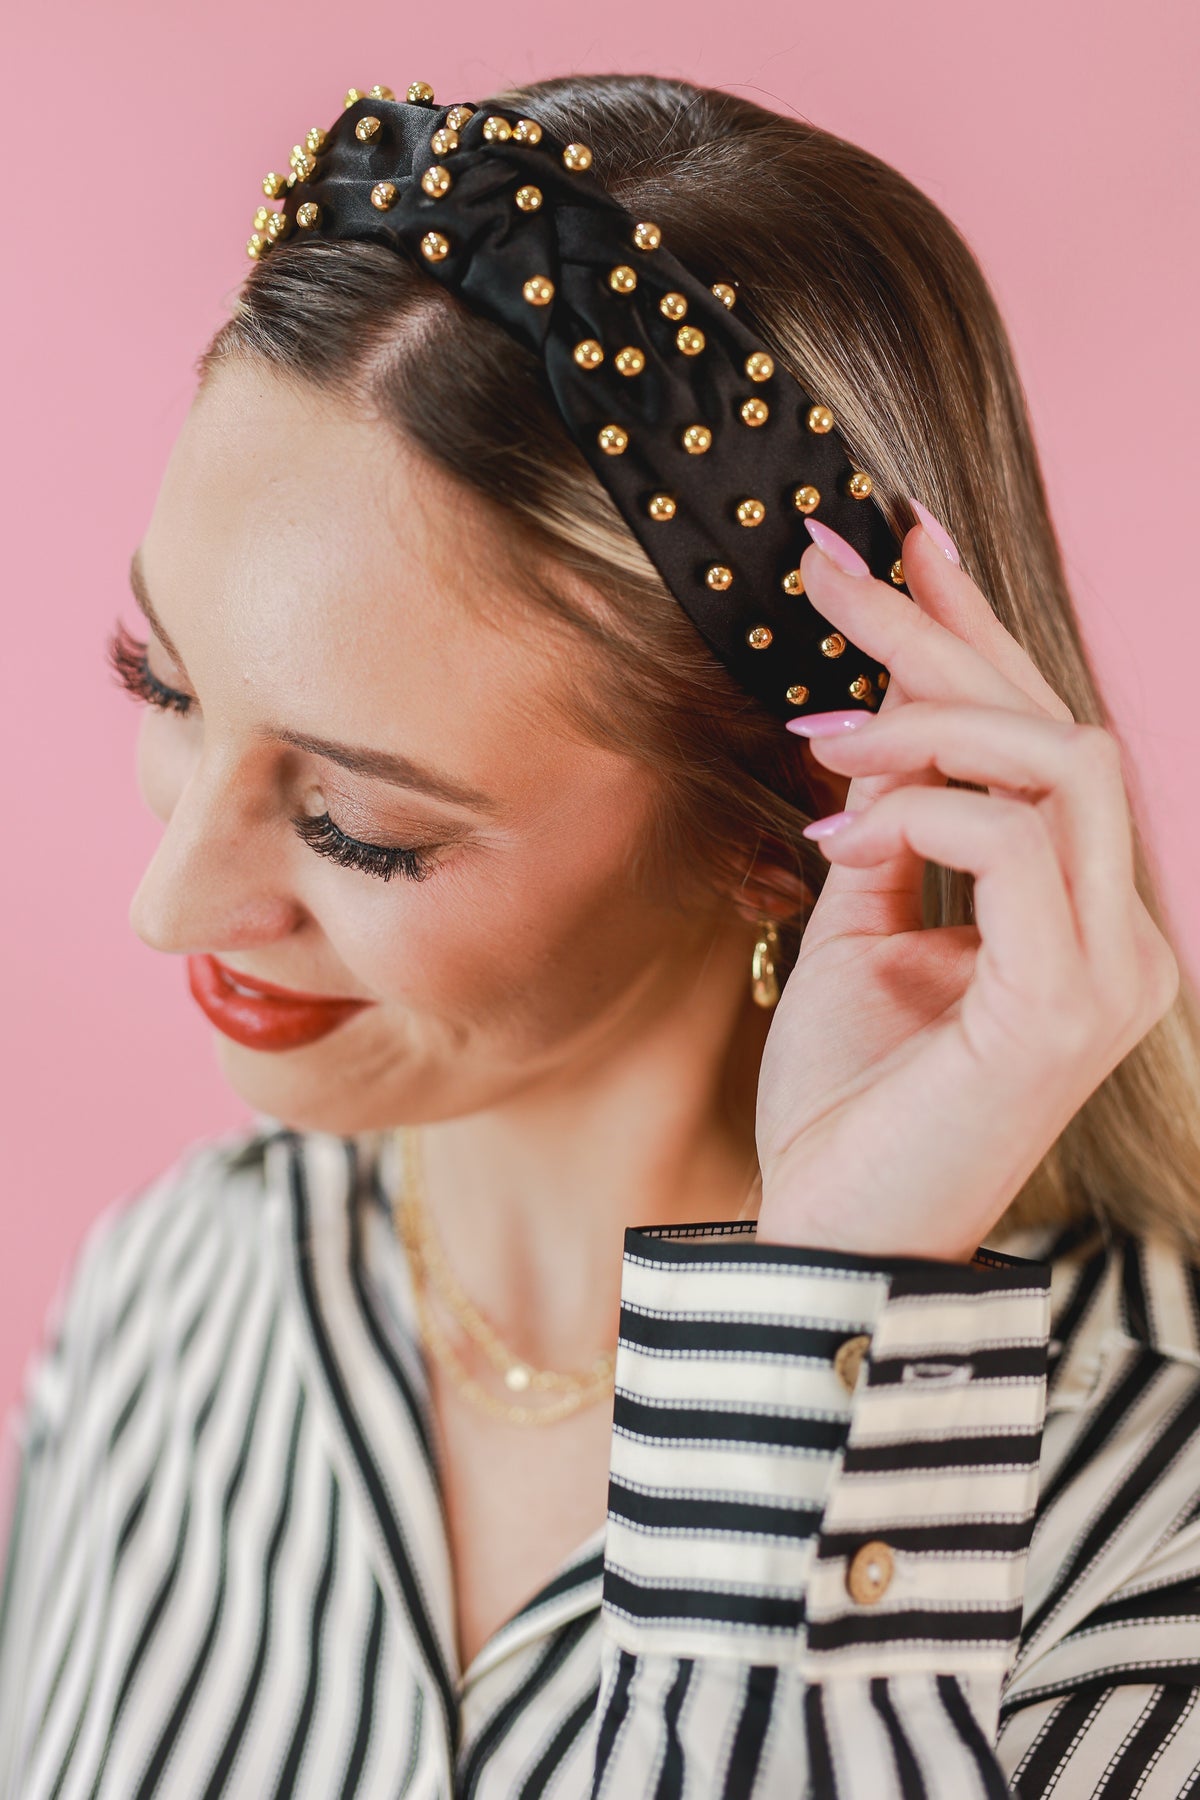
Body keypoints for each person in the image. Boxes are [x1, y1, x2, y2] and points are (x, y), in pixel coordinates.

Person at [2, 67, 1199, 1800]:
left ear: (787, 836)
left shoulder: (1135, 1554)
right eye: (167, 683)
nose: (167, 900)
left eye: (365, 826)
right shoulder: (168, 1300)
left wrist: (818, 1329)